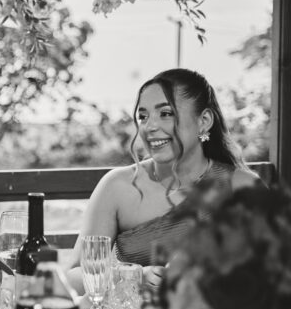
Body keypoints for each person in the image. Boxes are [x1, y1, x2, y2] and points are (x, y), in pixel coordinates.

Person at [73, 68, 259, 291]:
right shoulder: (117, 186)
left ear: (204, 120)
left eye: (166, 113)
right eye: (143, 116)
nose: (150, 127)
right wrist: (133, 276)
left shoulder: (242, 187)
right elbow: (72, 276)